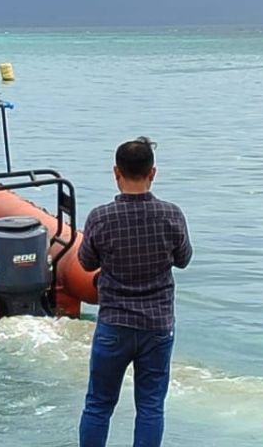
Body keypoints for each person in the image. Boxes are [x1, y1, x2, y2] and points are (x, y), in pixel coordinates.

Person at [77, 137, 192, 447]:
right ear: (152, 173)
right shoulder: (171, 215)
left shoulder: (100, 217)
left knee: (99, 405)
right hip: (157, 325)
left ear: (116, 172)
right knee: (151, 406)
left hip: (114, 324)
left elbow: (85, 263)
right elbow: (183, 259)